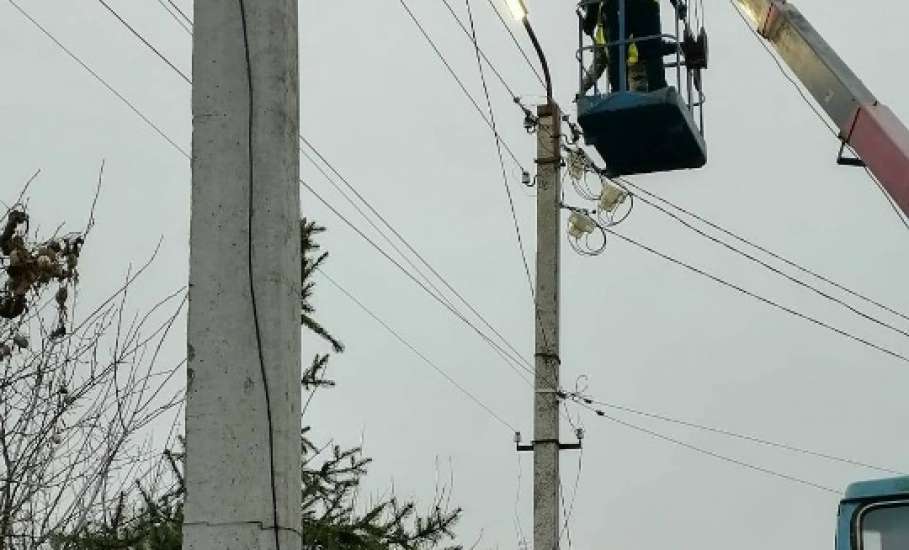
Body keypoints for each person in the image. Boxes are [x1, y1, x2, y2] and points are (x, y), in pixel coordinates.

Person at [580, 0, 688, 94]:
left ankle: (620, 96)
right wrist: (677, 4)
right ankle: (658, 91)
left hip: (617, 8)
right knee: (651, 51)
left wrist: (590, 20)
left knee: (618, 55)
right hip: (643, 7)